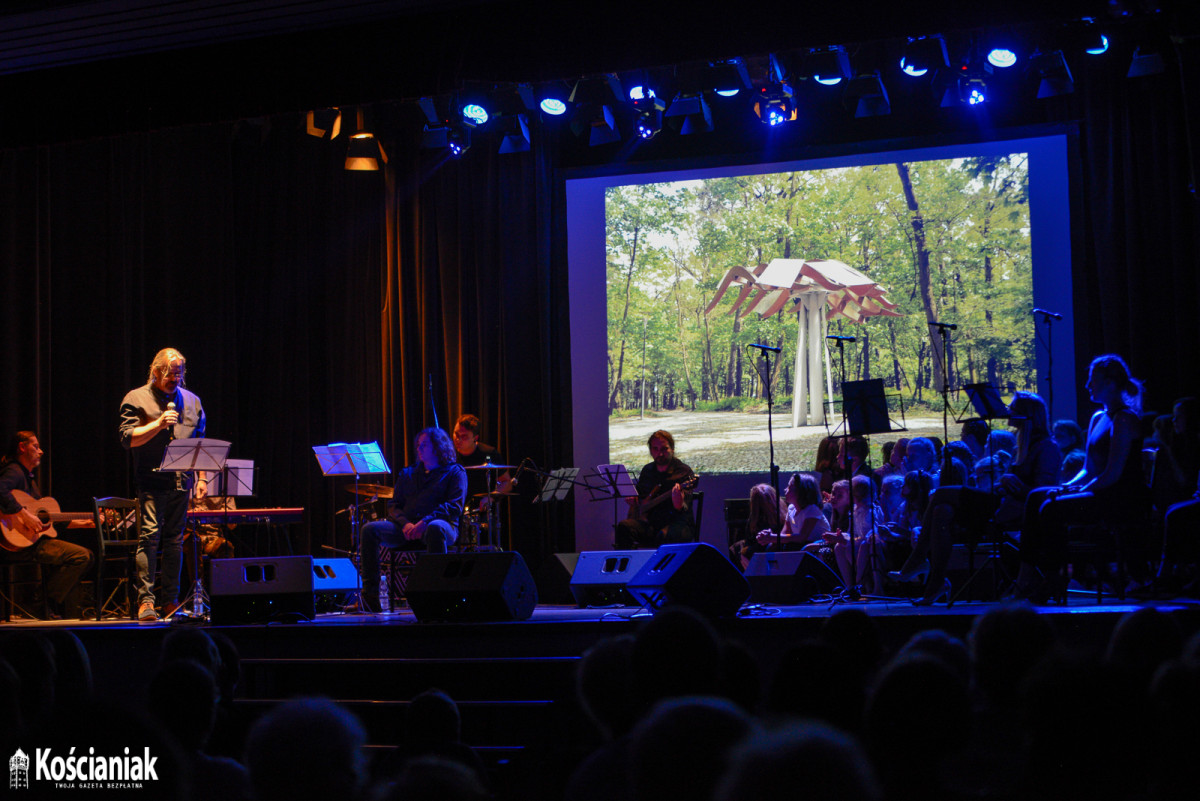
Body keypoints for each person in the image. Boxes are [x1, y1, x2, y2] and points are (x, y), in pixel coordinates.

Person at [893, 392, 1062, 605]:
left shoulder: (1046, 447)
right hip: (1001, 501)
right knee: (941, 511)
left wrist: (1016, 486)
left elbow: (1042, 492)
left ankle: (917, 561)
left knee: (941, 494)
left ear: (1027, 414)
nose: (1008, 411)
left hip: (1014, 508)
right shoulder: (1021, 445)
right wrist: (1004, 483)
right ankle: (935, 585)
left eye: (1013, 408)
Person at [1012, 355, 1149, 600]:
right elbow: (1088, 468)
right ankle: (1026, 576)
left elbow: (1113, 473)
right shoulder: (1099, 417)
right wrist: (1067, 486)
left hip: (1119, 497)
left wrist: (1078, 492)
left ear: (1110, 383)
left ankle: (1054, 578)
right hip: (1099, 489)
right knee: (1036, 497)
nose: (1088, 386)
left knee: (1052, 508)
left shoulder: (1125, 419)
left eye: (1092, 380)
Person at [119, 348, 207, 622]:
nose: (175, 379)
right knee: (150, 538)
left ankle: (170, 601)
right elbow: (128, 439)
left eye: (179, 374)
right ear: (155, 372)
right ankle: (146, 602)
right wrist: (158, 424)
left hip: (182, 482)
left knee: (174, 542)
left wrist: (202, 478)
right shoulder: (136, 398)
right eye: (170, 374)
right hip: (151, 481)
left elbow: (199, 445)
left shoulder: (192, 402)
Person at [357, 427, 467, 613]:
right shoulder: (408, 474)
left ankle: (436, 593)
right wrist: (405, 523)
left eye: (424, 445)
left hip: (441, 525)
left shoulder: (455, 472)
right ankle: (371, 595)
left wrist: (424, 522)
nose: (419, 448)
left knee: (434, 528)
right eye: (418, 445)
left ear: (438, 447)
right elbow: (394, 505)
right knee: (369, 529)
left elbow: (454, 506)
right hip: (406, 527)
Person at [0, 432, 93, 619]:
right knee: (81, 556)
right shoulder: (14, 471)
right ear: (22, 447)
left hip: (30, 541)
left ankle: (41, 603)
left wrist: (85, 523)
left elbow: (45, 521)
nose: (41, 451)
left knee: (84, 555)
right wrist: (23, 514)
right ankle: (39, 604)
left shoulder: (28, 479)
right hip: (16, 544)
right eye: (36, 446)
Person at [614, 430, 696, 549]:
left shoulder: (683, 472)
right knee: (624, 526)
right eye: (655, 449)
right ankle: (627, 566)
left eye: (664, 449)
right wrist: (633, 500)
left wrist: (678, 503)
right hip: (650, 523)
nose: (660, 454)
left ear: (672, 449)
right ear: (651, 451)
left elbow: (683, 508)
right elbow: (640, 496)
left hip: (677, 523)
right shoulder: (647, 470)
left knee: (664, 535)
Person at [729, 483, 784, 571]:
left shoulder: (757, 518)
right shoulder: (783, 512)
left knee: (737, 549)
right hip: (771, 548)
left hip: (763, 551)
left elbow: (752, 540)